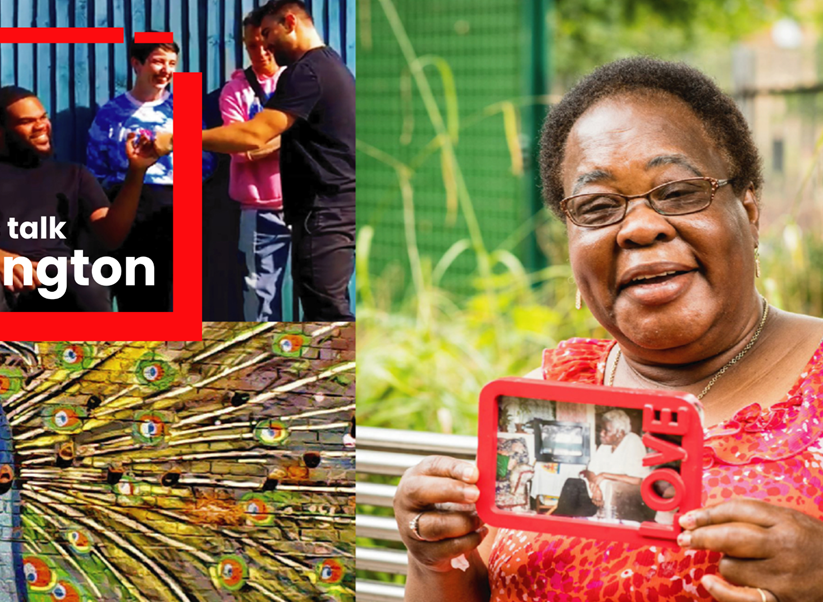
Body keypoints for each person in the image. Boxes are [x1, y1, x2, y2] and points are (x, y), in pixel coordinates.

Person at [393, 57, 823, 602]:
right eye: (597, 207)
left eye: (679, 191)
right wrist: (433, 560)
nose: (641, 228)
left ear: (750, 209)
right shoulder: (542, 401)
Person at [0, 86, 161, 319]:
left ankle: (89, 358)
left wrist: (136, 172)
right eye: (27, 121)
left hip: (54, 273)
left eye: (43, 117)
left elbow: (112, 235)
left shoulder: (73, 175)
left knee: (88, 281)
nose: (41, 126)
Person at [202, 0, 355, 321]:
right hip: (303, 211)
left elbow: (252, 136)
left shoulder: (307, 73)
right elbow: (245, 150)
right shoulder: (328, 66)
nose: (266, 46)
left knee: (327, 313)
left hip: (323, 213)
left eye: (269, 34)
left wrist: (178, 139)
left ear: (290, 22)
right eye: (254, 43)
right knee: (304, 304)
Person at [87, 37, 175, 312]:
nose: (166, 70)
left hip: (170, 205)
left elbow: (205, 159)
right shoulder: (112, 113)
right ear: (136, 64)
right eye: (158, 61)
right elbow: (95, 163)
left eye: (172, 63)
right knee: (132, 286)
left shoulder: (182, 109)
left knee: (163, 289)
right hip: (126, 202)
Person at [219, 9, 289, 321]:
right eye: (250, 46)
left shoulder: (298, 80)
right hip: (259, 209)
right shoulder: (235, 91)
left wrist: (260, 142)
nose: (259, 52)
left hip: (311, 205)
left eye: (265, 43)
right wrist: (292, 139)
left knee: (324, 292)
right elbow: (240, 149)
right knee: (260, 297)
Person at [551, 410, 650, 519]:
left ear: (620, 433)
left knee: (578, 512)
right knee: (571, 483)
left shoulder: (633, 442)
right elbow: (590, 470)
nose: (601, 433)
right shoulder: (606, 445)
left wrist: (604, 475)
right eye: (601, 429)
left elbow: (637, 480)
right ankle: (558, 526)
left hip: (613, 499)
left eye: (606, 431)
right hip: (595, 494)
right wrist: (596, 488)